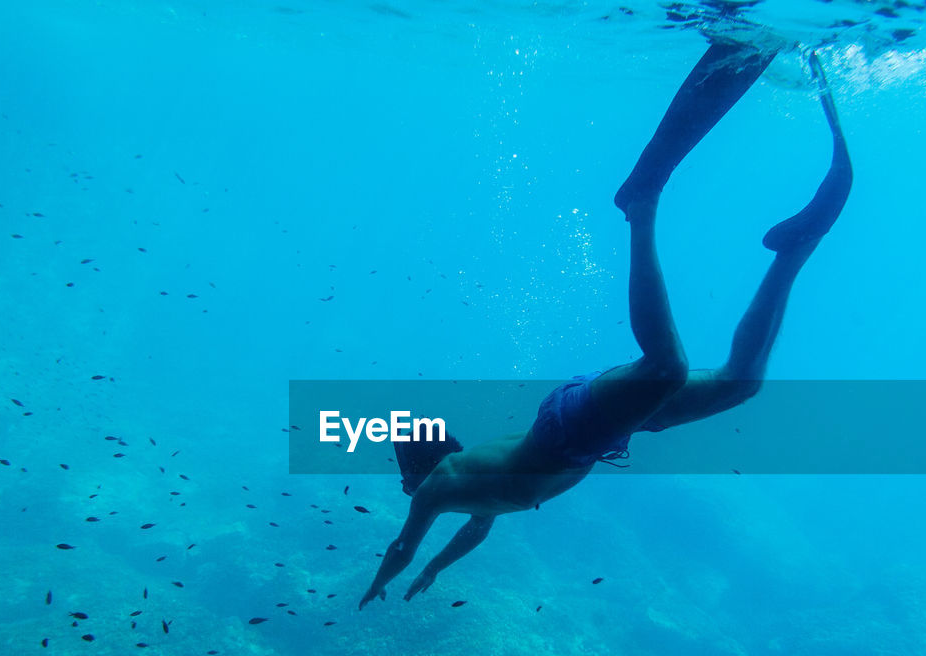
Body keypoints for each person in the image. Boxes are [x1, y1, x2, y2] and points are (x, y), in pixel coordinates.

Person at [358, 43, 853, 610]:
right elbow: (478, 528)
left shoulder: (437, 487)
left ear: (415, 474)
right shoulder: (465, 497)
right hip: (597, 439)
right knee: (741, 384)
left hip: (571, 430)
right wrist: (438, 571)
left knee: (667, 368)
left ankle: (641, 204)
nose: (406, 493)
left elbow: (401, 545)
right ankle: (793, 250)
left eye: (407, 483)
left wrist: (380, 584)